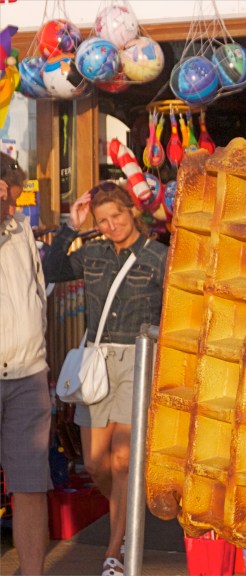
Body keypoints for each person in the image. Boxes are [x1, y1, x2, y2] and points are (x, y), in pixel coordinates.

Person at [43, 182, 167, 576]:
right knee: (96, 463)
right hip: (96, 363)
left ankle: (115, 551)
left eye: (117, 215)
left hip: (138, 359)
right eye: (103, 220)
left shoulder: (159, 257)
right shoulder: (92, 253)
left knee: (124, 460)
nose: (111, 225)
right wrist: (71, 225)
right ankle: (128, 516)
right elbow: (51, 268)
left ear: (133, 211)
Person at [0, 152, 51, 575]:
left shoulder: (20, 229)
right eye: (10, 197)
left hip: (28, 375)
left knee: (31, 486)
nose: (15, 208)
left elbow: (37, 291)